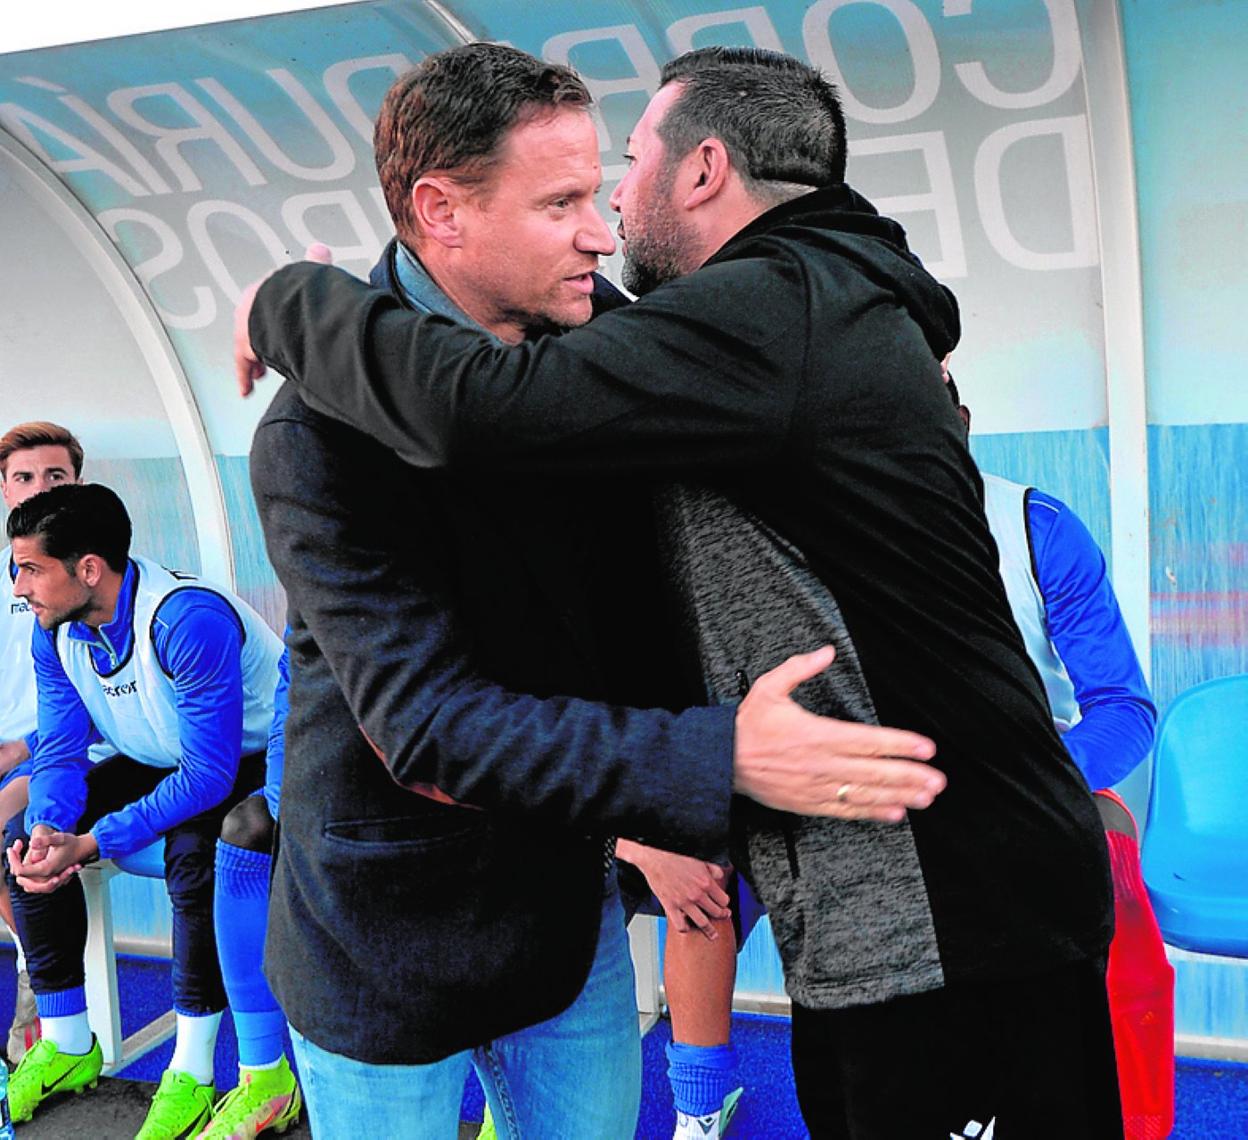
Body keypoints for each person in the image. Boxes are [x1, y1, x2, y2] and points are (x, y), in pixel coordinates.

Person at [239, 45, 1123, 1137]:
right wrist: (695, 773)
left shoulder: (718, 319)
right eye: (561, 201)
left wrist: (285, 300)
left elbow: (484, 417)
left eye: (610, 179)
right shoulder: (317, 430)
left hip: (838, 912)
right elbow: (427, 727)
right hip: (387, 936)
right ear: (441, 211)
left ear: (706, 170)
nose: (602, 227)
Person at [3, 483, 282, 1140]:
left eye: (32, 568)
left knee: (194, 854)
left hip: (250, 759)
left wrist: (93, 842)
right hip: (162, 756)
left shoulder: (187, 620)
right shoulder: (54, 629)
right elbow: (62, 748)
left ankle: (193, 1071)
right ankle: (68, 1042)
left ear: (88, 569)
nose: (19, 587)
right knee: (21, 835)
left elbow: (209, 776)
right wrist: (51, 828)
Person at [951, 375, 1173, 1137]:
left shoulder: (1033, 526)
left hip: (1028, 805)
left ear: (959, 422)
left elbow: (1122, 708)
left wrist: (1022, 785)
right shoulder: (831, 533)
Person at [0, 422, 93, 1066]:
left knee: (10, 824)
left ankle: (40, 977)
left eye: (55, 476)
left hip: (71, 753)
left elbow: (89, 708)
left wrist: (19, 750)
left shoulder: (91, 570)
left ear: (78, 483)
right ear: (5, 490)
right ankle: (34, 959)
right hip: (16, 750)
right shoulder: (9, 574)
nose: (39, 489)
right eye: (24, 477)